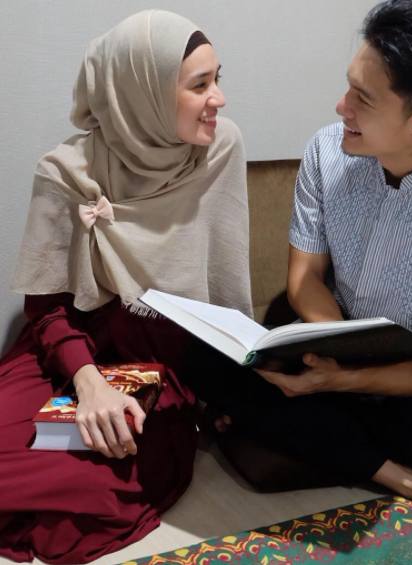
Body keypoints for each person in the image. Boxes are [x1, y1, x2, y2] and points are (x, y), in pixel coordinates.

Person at [195, 0, 412, 528]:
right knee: (212, 362)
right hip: (331, 337)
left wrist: (345, 382)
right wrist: (334, 356)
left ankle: (315, 438)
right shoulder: (326, 153)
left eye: (363, 99)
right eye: (348, 87)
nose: (341, 107)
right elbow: (304, 278)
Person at [0, 10, 251, 563]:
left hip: (161, 366)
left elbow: (222, 284)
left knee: (94, 472)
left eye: (217, 79)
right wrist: (89, 384)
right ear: (143, 94)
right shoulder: (66, 170)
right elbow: (45, 306)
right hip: (67, 355)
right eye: (200, 85)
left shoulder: (220, 150)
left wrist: (225, 386)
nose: (219, 99)